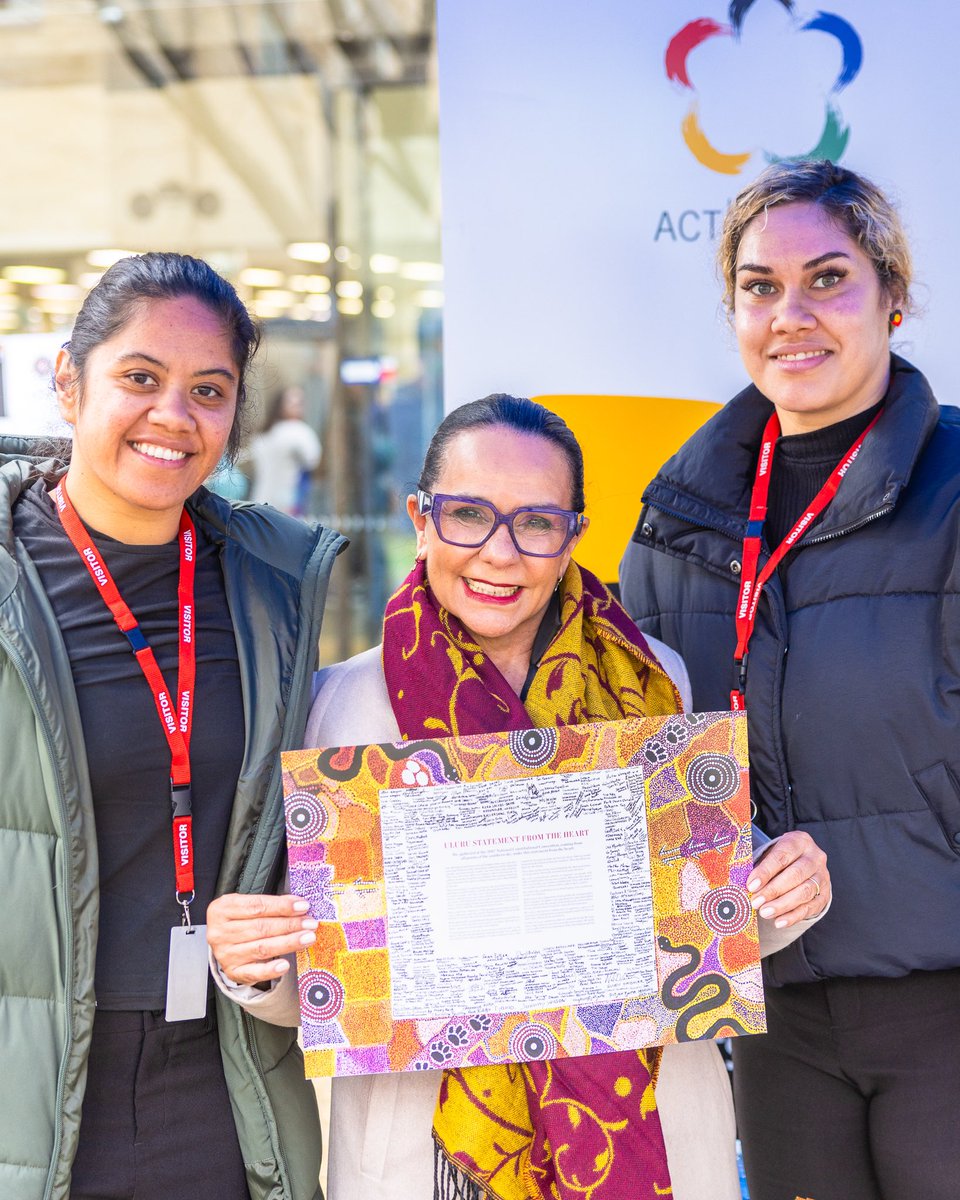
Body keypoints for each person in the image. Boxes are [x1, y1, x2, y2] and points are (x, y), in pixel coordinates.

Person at [209, 394, 828, 1200]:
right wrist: (255, 966)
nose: (499, 554)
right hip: (428, 1145)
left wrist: (784, 892)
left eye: (536, 522)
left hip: (638, 1127)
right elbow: (329, 988)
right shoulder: (339, 709)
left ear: (573, 534)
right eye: (468, 514)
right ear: (420, 519)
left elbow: (703, 923)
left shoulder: (652, 683)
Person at [620, 159, 960, 1200]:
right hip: (767, 1012)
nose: (791, 314)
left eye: (829, 278)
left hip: (942, 1007)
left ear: (893, 298)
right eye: (761, 286)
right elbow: (638, 761)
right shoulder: (677, 521)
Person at [0, 252, 344, 1200]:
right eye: (139, 379)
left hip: (225, 1071)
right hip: (31, 1076)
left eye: (208, 390)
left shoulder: (274, 585)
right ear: (67, 384)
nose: (173, 416)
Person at [249, 383, 322, 515]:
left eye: (300, 402)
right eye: (292, 402)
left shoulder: (263, 434)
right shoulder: (300, 431)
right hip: (289, 503)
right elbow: (313, 460)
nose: (296, 406)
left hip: (261, 500)